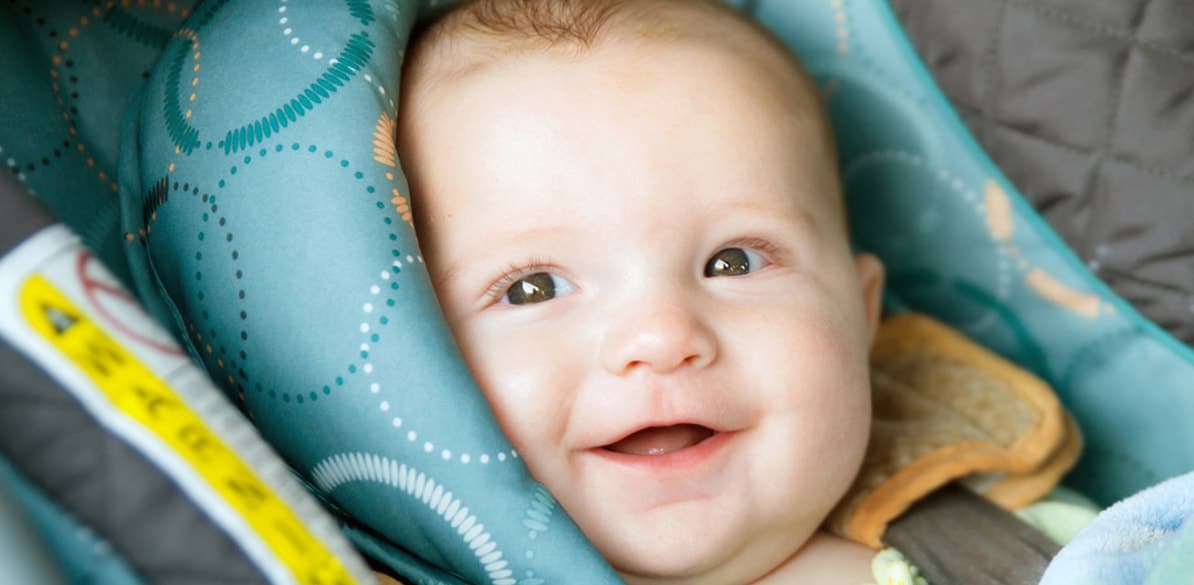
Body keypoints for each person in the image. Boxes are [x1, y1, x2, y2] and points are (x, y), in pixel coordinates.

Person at [396, 0, 886, 583]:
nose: (659, 337)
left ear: (863, 314)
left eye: (733, 262)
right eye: (534, 289)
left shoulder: (997, 524)